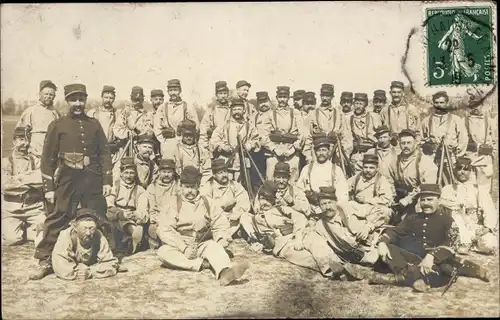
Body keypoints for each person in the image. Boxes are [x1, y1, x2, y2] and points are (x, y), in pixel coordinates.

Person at [31, 83, 113, 280]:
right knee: (59, 215)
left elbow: (104, 153)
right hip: (67, 178)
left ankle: (109, 257)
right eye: (73, 100)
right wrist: (49, 188)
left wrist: (107, 180)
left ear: (85, 100)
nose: (78, 103)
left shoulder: (94, 124)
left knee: (99, 214)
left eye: (81, 99)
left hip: (92, 177)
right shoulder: (58, 125)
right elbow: (47, 159)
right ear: (67, 101)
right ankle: (46, 259)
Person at [371, 184, 490, 292]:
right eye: (423, 200)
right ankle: (412, 278)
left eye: (430, 200)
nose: (426, 203)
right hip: (414, 258)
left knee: (444, 268)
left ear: (439, 201)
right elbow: (395, 231)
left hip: (437, 261)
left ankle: (400, 278)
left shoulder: (447, 220)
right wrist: (383, 242)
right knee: (390, 249)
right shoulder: (411, 218)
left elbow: (452, 243)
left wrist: (432, 255)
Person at [156, 166, 249, 286]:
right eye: (187, 187)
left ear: (198, 186)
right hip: (181, 245)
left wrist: (221, 238)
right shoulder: (173, 204)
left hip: (203, 243)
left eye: (193, 187)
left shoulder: (207, 202)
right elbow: (165, 230)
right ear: (181, 187)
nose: (190, 191)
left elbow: (219, 223)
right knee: (163, 252)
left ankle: (225, 272)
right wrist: (184, 248)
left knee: (215, 248)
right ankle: (203, 264)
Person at [440, 157, 498, 255]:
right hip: (456, 227)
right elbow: (443, 207)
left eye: (466, 169)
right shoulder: (448, 189)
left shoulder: (478, 189)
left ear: (470, 171)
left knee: (490, 244)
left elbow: (489, 210)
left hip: (474, 226)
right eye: (459, 169)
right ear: (455, 171)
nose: (462, 172)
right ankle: (462, 244)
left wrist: (487, 228)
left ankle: (471, 244)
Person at [1, 127, 45, 246]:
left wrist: (19, 178)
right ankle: (21, 228)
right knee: (12, 240)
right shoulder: (5, 162)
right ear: (14, 141)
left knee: (45, 234)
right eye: (21, 139)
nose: (24, 143)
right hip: (12, 209)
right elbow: (6, 188)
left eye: (27, 140)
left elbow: (41, 180)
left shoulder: (36, 161)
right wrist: (31, 180)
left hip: (34, 208)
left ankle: (28, 228)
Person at [52, 208, 123, 281]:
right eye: (84, 228)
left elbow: (110, 262)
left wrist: (90, 272)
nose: (88, 233)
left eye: (91, 228)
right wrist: (78, 273)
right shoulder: (66, 236)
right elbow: (61, 267)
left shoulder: (98, 235)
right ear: (75, 227)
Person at [387, 129, 437, 223]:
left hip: (419, 196)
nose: (406, 146)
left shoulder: (425, 162)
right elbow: (389, 181)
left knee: (419, 214)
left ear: (415, 143)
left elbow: (426, 187)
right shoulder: (394, 161)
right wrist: (391, 197)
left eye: (409, 143)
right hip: (401, 198)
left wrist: (409, 198)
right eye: (403, 143)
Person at [297, 135, 349, 217]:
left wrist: (333, 208)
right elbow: (299, 191)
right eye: (318, 150)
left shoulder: (336, 170)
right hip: (310, 208)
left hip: (329, 208)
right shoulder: (307, 169)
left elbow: (343, 194)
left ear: (328, 151)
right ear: (315, 152)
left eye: (324, 150)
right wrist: (306, 206)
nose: (321, 153)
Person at [210, 98, 260, 183]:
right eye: (235, 109)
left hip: (242, 162)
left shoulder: (249, 126)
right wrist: (223, 146)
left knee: (240, 185)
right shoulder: (224, 125)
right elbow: (214, 140)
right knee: (226, 183)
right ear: (231, 111)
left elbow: (256, 140)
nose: (237, 111)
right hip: (227, 162)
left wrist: (249, 145)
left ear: (244, 110)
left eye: (239, 109)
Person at [421, 91, 468, 179]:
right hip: (432, 159)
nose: (439, 105)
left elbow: (463, 139)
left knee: (451, 183)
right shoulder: (426, 121)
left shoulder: (456, 120)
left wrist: (456, 156)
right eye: (436, 102)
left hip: (450, 159)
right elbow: (421, 139)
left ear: (447, 103)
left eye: (442, 102)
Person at [260, 86, 303, 181]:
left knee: (292, 181)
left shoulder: (296, 113)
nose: (282, 100)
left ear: (288, 98)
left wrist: (292, 149)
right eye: (280, 97)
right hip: (274, 153)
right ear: (276, 97)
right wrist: (274, 149)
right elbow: (264, 135)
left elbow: (302, 134)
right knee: (271, 180)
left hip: (291, 152)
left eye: (285, 97)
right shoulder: (269, 114)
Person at [106, 157, 148, 254]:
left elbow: (143, 209)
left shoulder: (140, 189)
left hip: (132, 216)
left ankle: (134, 238)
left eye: (132, 173)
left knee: (138, 222)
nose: (129, 176)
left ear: (135, 174)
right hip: (116, 216)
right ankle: (131, 236)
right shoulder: (115, 186)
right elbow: (109, 205)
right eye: (126, 173)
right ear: (121, 174)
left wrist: (135, 215)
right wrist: (121, 214)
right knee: (115, 220)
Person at [200, 159, 251, 238]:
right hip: (217, 220)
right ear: (214, 175)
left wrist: (236, 213)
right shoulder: (208, 187)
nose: (224, 175)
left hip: (233, 219)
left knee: (246, 217)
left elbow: (243, 200)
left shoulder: (234, 185)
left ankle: (254, 237)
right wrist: (222, 216)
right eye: (220, 173)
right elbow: (206, 208)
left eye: (225, 171)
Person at [16, 80, 61, 168]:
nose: (48, 97)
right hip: (34, 156)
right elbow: (20, 133)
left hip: (52, 156)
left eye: (51, 95)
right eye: (46, 94)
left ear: (54, 96)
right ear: (39, 94)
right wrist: (22, 151)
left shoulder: (56, 113)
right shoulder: (30, 111)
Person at [303, 84, 352, 164]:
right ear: (320, 96)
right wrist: (308, 155)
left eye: (328, 96)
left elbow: (346, 136)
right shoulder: (312, 114)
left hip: (336, 152)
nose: (325, 98)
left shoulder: (339, 114)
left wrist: (344, 154)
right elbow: (307, 136)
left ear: (332, 97)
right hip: (318, 152)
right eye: (323, 95)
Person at [345, 154, 394, 234]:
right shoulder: (357, 177)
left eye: (371, 168)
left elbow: (387, 199)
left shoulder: (381, 180)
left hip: (373, 209)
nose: (368, 170)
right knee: (345, 205)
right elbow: (344, 187)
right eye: (365, 167)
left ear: (377, 169)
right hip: (358, 207)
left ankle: (369, 228)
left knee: (386, 211)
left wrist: (367, 200)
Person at [154, 79, 200, 156]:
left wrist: (187, 140)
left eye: (175, 90)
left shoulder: (187, 106)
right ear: (168, 92)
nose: (173, 93)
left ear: (180, 91)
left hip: (184, 143)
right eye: (171, 90)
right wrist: (163, 141)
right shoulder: (162, 107)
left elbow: (196, 126)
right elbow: (157, 127)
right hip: (168, 143)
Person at [145, 159, 180, 249]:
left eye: (169, 172)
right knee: (154, 231)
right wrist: (159, 221)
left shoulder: (178, 186)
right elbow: (152, 210)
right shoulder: (152, 187)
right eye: (164, 172)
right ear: (159, 172)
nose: (166, 175)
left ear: (173, 173)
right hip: (159, 219)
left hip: (176, 219)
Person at [463, 100, 495, 190]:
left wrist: (492, 154)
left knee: (484, 189)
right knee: (469, 188)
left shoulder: (489, 121)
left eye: (478, 105)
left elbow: (495, 141)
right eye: (473, 105)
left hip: (484, 159)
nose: (476, 108)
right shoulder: (464, 121)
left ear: (482, 105)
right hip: (469, 158)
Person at [167, 119, 211, 184]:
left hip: (199, 182)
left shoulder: (201, 149)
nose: (188, 138)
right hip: (180, 182)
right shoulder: (175, 149)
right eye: (186, 135)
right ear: (182, 135)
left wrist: (202, 184)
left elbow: (207, 170)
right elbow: (170, 170)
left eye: (191, 135)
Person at [87, 85, 122, 163]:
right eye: (106, 97)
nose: (108, 100)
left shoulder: (118, 113)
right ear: (102, 97)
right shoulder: (93, 113)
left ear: (114, 99)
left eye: (111, 98)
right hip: (97, 150)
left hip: (113, 151)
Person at [380, 81, 421, 146]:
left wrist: (416, 143)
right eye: (394, 92)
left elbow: (418, 130)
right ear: (390, 93)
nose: (396, 95)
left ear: (403, 93)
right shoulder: (385, 110)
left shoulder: (411, 109)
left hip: (408, 145)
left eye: (399, 92)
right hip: (392, 145)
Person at [113, 86, 154, 152]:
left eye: (139, 100)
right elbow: (117, 128)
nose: (137, 102)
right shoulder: (124, 113)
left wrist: (140, 133)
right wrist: (128, 133)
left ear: (143, 99)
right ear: (131, 99)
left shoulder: (148, 113)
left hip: (142, 146)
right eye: (135, 100)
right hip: (126, 146)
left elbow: (150, 130)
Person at [348, 93, 381, 172]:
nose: (358, 106)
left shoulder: (374, 116)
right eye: (356, 103)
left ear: (365, 104)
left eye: (361, 104)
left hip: (372, 151)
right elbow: (347, 138)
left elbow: (380, 136)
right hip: (357, 153)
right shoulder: (349, 118)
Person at [199, 81, 231, 151]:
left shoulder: (232, 110)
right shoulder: (211, 111)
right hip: (215, 146)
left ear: (228, 94)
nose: (223, 96)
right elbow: (203, 130)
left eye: (225, 93)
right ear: (216, 95)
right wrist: (204, 147)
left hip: (230, 145)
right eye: (220, 93)